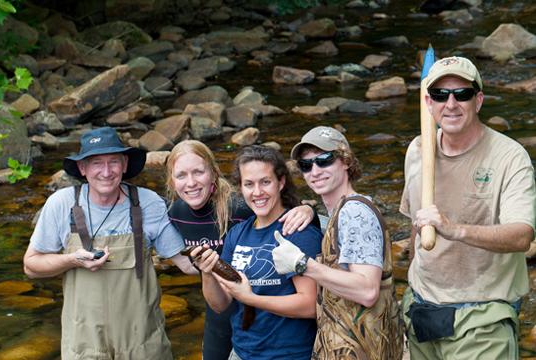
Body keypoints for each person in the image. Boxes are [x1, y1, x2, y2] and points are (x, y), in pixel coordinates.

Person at [400, 56, 536, 359]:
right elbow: (416, 223)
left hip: (482, 318)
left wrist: (454, 229)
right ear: (428, 103)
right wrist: (409, 288)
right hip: (421, 309)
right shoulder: (418, 149)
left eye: (461, 94)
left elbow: (521, 236)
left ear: (479, 100)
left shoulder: (510, 157)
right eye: (440, 95)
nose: (450, 104)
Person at [23, 127, 196, 359]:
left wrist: (230, 257)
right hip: (84, 344)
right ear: (83, 169)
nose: (106, 172)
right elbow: (31, 266)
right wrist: (72, 260)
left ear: (124, 164)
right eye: (96, 163)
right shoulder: (61, 204)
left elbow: (186, 264)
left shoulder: (147, 202)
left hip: (142, 342)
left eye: (113, 162)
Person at [165, 140, 317, 360]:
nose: (257, 192)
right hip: (240, 341)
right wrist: (207, 271)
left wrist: (308, 209)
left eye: (265, 182)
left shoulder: (286, 225)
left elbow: (311, 304)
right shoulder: (231, 232)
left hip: (287, 349)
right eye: (249, 184)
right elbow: (220, 301)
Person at [272, 126, 403, 359]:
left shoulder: (354, 213)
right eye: (306, 165)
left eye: (324, 160)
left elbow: (367, 290)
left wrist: (302, 264)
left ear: (345, 162)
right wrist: (309, 209)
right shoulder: (340, 212)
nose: (315, 170)